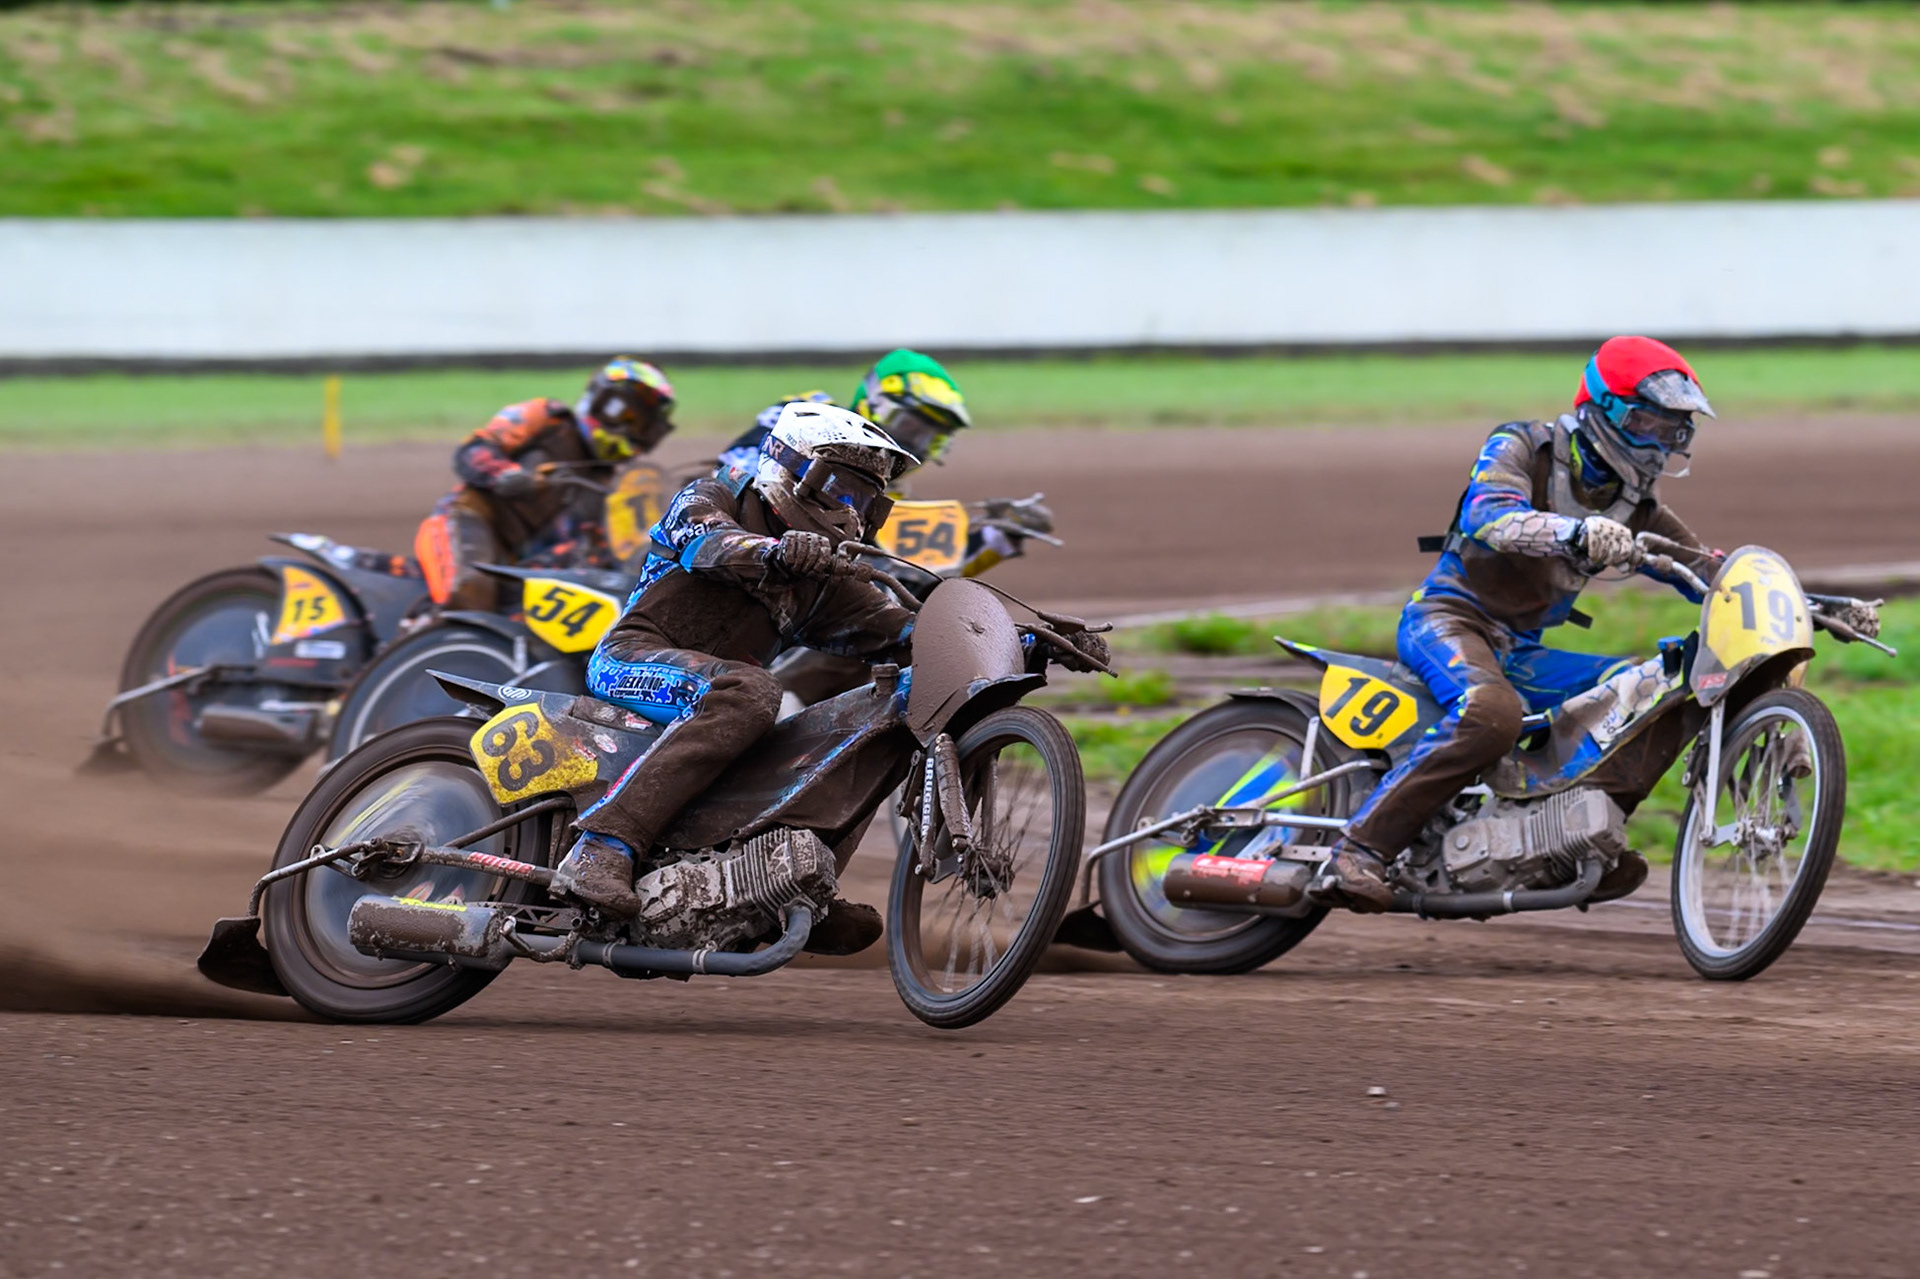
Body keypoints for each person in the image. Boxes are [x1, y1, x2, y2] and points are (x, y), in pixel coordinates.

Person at [551, 400, 1102, 953]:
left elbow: (911, 632)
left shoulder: (825, 583)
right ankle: (602, 847)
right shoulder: (714, 496)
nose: (851, 510)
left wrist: (1033, 641)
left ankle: (801, 885)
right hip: (634, 659)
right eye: (841, 489)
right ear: (792, 469)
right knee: (750, 692)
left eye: (865, 499)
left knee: (879, 711)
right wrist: (774, 553)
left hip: (726, 696)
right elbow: (710, 544)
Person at [1309, 336, 1725, 912]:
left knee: (1653, 688)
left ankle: (1576, 842)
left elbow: (1709, 571)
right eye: (1647, 422)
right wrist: (1573, 533)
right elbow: (1490, 516)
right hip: (1449, 617)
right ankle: (1358, 849)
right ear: (1601, 408)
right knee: (1492, 714)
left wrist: (1814, 603)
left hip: (1521, 650)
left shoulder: (1639, 508)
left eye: (1673, 431)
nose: (1658, 445)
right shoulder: (1523, 445)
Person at [414, 358, 676, 611]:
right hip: (469, 519)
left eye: (643, 426)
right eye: (624, 415)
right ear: (597, 399)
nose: (628, 432)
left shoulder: (612, 488)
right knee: (470, 593)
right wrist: (504, 474)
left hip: (517, 561)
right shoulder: (546, 418)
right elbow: (475, 449)